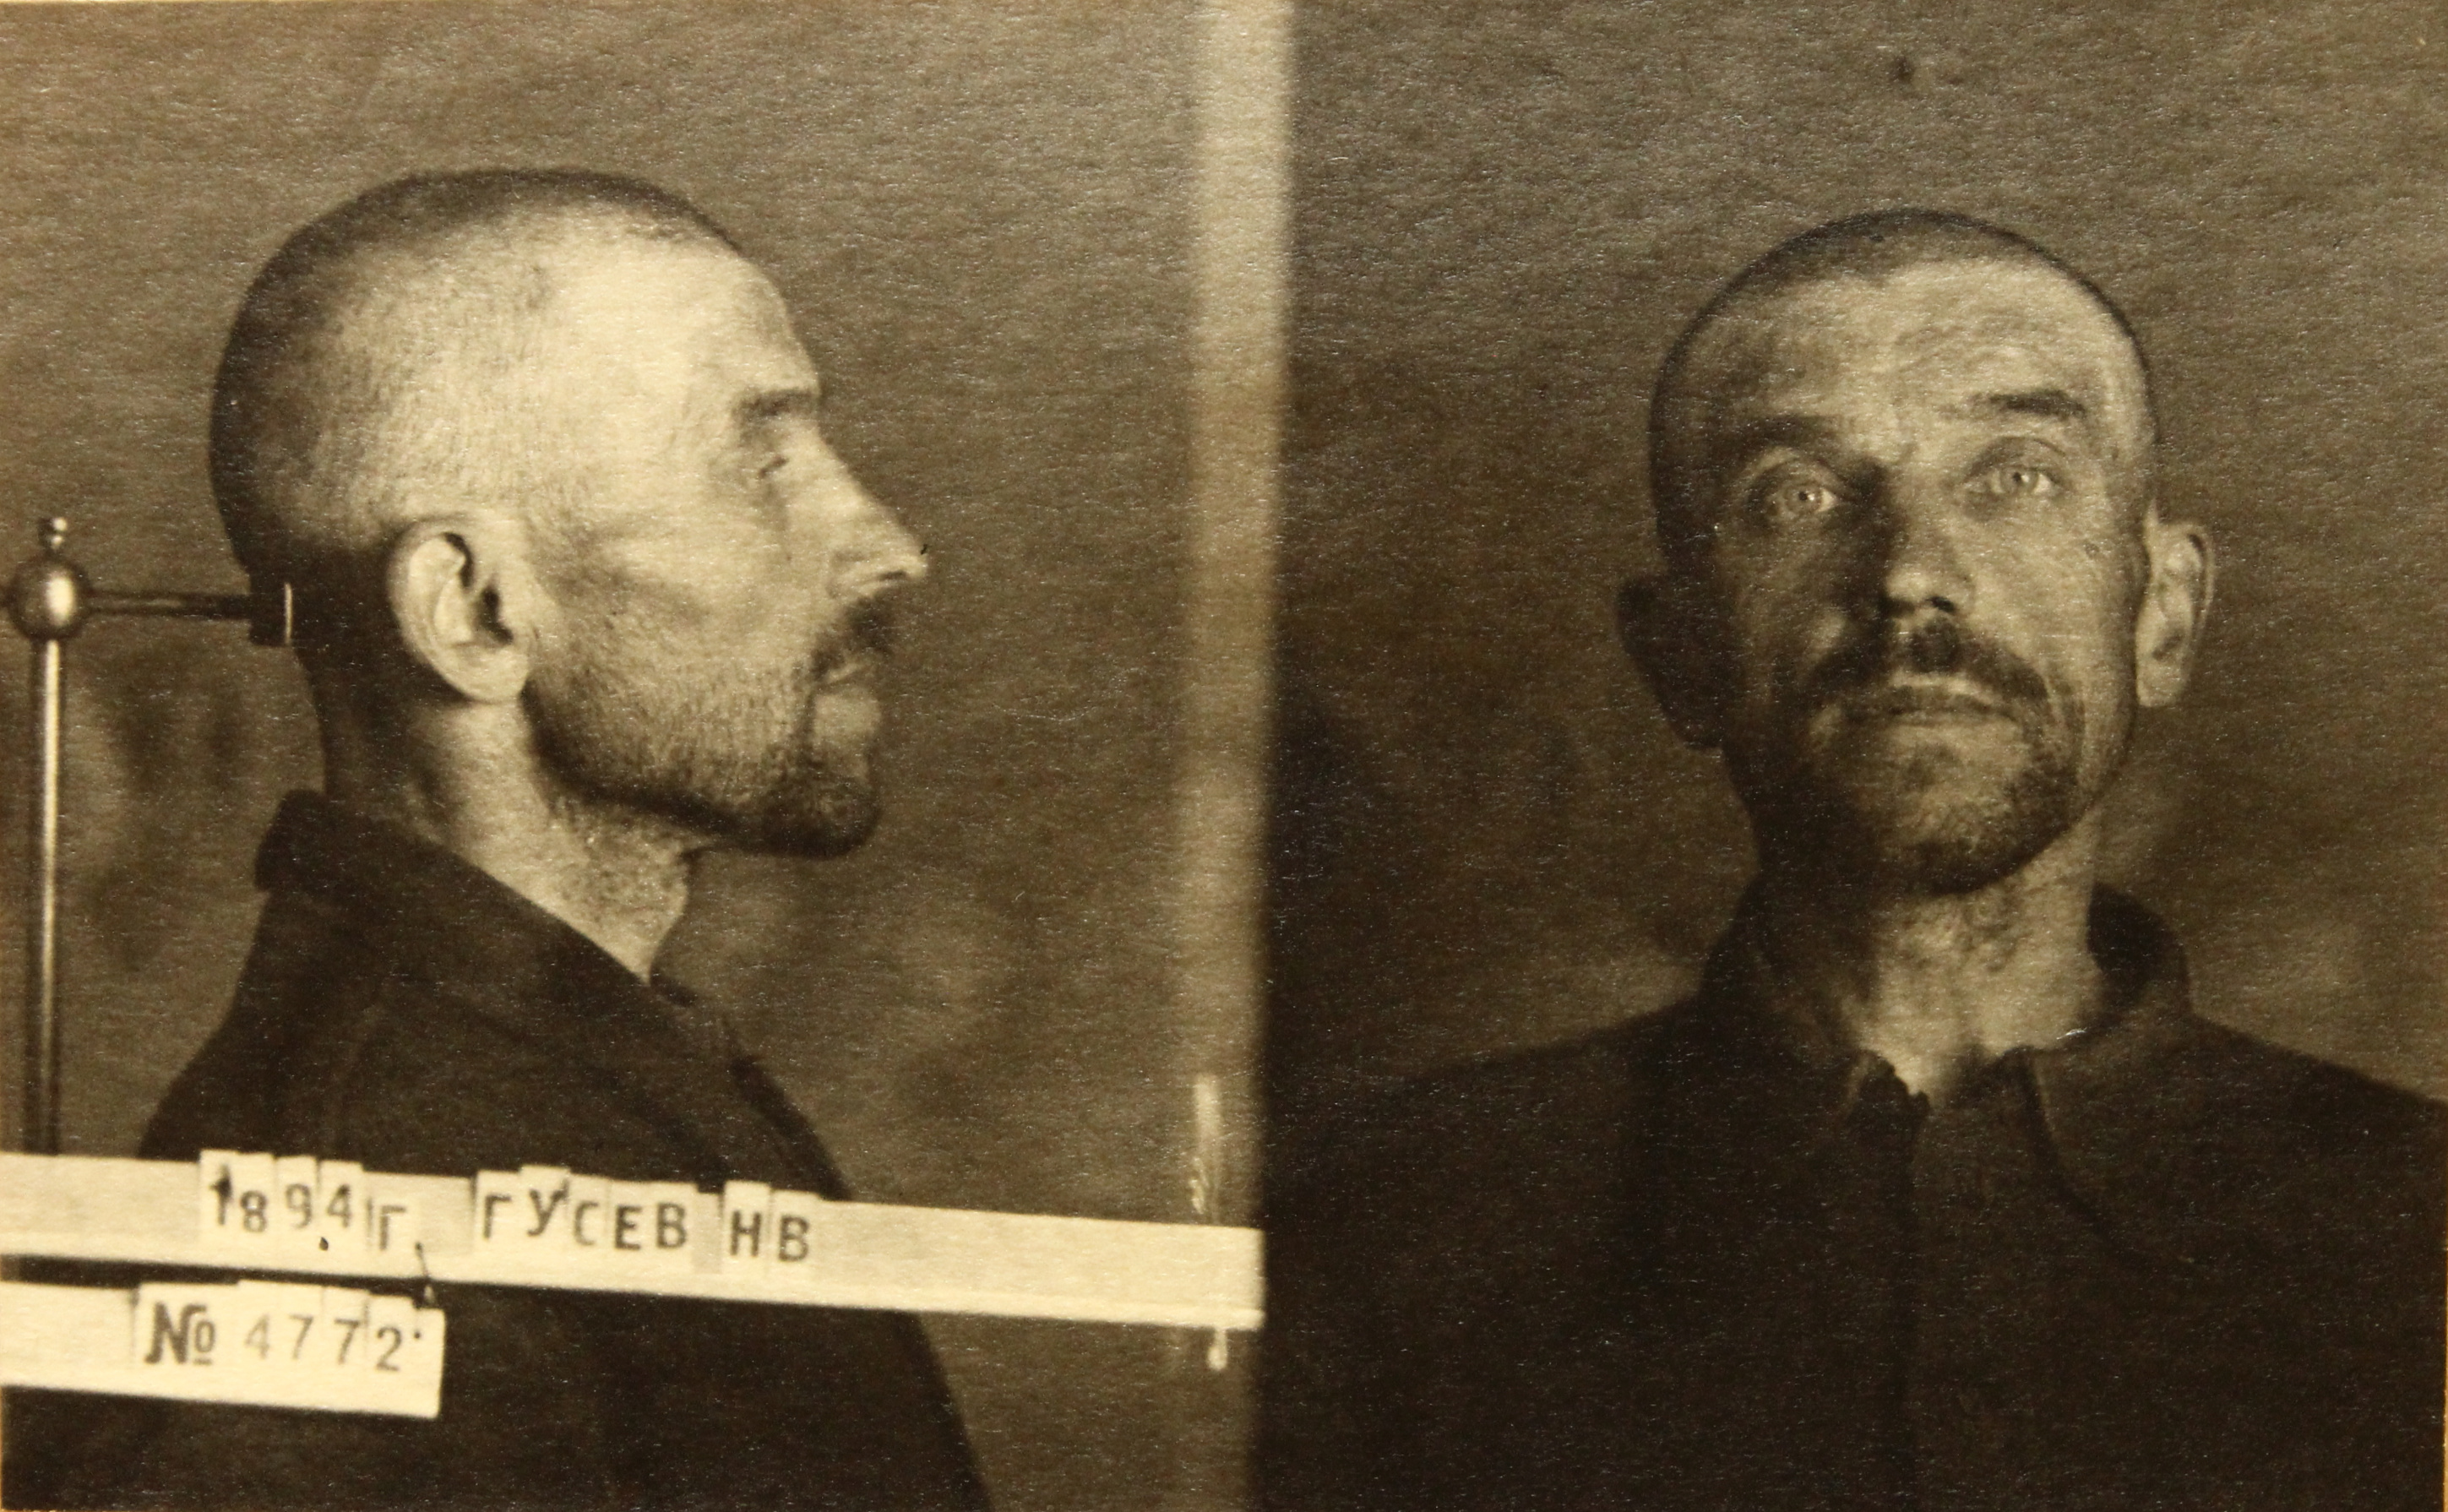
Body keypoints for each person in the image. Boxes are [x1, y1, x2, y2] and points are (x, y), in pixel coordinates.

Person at [1261, 210, 2445, 1512]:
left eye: (2016, 477)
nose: (1911, 572)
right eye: (1797, 496)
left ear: (2160, 616)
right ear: (1678, 654)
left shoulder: (2415, 1226)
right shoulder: (1394, 1227)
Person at [5, 169, 987, 1509]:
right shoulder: (356, 1217)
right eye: (762, 467)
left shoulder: (575, 1076)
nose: (894, 545)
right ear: (472, 612)